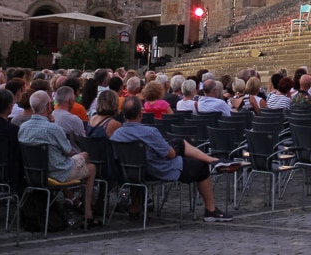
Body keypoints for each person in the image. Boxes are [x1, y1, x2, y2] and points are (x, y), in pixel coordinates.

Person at [111, 96, 236, 222]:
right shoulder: (149, 132)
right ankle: (211, 209)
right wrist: (175, 151)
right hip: (158, 169)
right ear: (140, 113)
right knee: (201, 167)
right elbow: (170, 155)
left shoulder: (117, 134)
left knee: (179, 142)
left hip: (130, 172)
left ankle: (213, 160)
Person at [19, 90, 98, 227]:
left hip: (34, 172)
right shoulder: (52, 128)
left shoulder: (23, 127)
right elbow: (68, 151)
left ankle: (73, 199)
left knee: (83, 156)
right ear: (48, 106)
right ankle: (88, 213)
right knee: (91, 167)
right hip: (58, 172)